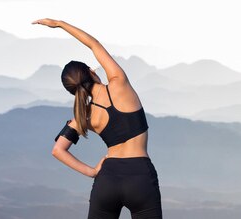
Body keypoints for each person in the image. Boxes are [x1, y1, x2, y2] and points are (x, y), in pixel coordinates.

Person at [33, 18, 162, 219]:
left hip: (107, 180)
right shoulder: (119, 84)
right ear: (92, 72)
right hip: (140, 178)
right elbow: (94, 44)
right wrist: (60, 24)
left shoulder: (83, 116)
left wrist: (92, 172)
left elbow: (58, 150)